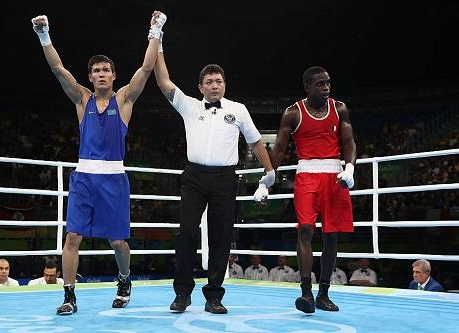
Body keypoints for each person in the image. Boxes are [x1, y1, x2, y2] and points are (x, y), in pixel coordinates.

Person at [31, 11, 166, 315]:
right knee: (72, 236)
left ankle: (124, 279)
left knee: (117, 241)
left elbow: (146, 67)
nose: (102, 74)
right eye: (96, 70)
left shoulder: (125, 100)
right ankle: (69, 295)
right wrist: (44, 34)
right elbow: (57, 68)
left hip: (114, 178)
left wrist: (155, 30)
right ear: (90, 76)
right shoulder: (82, 99)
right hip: (84, 177)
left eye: (106, 70)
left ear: (114, 75)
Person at [153, 17, 275, 314]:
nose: (214, 85)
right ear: (200, 87)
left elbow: (256, 142)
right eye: (209, 81)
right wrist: (157, 38)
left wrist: (270, 172)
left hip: (224, 178)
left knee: (221, 237)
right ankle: (182, 294)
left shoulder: (238, 109)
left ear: (225, 84)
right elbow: (162, 80)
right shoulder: (189, 105)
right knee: (186, 234)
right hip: (194, 177)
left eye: (218, 80)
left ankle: (214, 297)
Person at [270, 66, 357, 313]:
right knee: (305, 230)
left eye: (328, 83)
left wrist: (349, 168)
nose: (326, 87)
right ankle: (306, 294)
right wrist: (267, 178)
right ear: (307, 87)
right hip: (307, 175)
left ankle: (324, 294)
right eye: (320, 84)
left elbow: (349, 142)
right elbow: (278, 148)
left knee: (331, 235)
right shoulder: (292, 113)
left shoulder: (339, 109)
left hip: (335, 175)